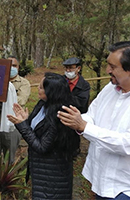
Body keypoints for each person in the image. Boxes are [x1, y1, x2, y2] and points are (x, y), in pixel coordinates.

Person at [57, 41, 130, 200]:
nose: (107, 70)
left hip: (124, 188)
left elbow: (126, 144)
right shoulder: (109, 89)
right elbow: (92, 115)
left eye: (113, 66)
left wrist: (84, 127)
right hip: (100, 181)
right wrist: (72, 118)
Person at [7, 72, 80, 200]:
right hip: (41, 171)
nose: (38, 89)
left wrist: (22, 126)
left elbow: (42, 147)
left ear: (50, 92)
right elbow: (35, 130)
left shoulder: (59, 116)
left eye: (41, 87)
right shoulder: (42, 105)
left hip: (53, 176)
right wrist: (25, 120)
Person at [0, 56, 31, 163]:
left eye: (14, 65)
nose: (12, 68)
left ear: (18, 67)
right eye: (9, 65)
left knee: (10, 155)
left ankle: (9, 177)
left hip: (13, 124)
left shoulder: (24, 83)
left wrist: (1, 97)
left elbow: (20, 101)